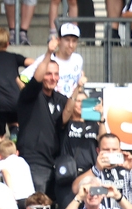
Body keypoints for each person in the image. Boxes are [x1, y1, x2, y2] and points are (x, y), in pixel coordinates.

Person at [16, 40, 81, 196]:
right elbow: (36, 79)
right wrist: (48, 54)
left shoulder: (60, 99)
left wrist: (78, 87)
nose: (52, 78)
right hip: (34, 161)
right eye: (48, 74)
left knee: (53, 208)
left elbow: (64, 119)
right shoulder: (30, 96)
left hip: (56, 162)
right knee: (39, 203)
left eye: (56, 74)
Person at [72, 132, 132, 209]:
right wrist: (97, 168)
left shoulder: (128, 170)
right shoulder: (93, 171)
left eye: (114, 149)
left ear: (120, 150)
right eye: (106, 149)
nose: (111, 153)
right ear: (98, 151)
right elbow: (75, 189)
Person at [19, 23, 84, 98]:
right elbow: (22, 78)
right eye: (67, 40)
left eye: (74, 41)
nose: (71, 45)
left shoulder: (78, 59)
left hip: (70, 106)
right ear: (58, 40)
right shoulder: (45, 59)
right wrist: (31, 98)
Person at [0, 139, 34, 208]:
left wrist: (11, 195)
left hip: (17, 197)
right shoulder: (22, 160)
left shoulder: (2, 163)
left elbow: (6, 175)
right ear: (17, 153)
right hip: (30, 196)